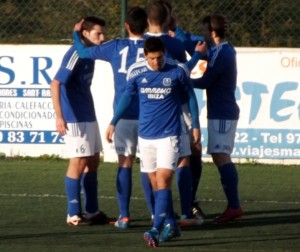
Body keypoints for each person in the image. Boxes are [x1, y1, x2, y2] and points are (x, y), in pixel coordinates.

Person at [105, 36, 200, 248]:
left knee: (164, 179)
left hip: (169, 134)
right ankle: (171, 224)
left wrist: (195, 124)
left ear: (164, 53)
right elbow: (127, 97)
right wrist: (113, 121)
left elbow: (190, 98)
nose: (156, 63)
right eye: (152, 59)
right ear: (145, 56)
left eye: (159, 58)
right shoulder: (136, 71)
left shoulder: (177, 70)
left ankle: (155, 229)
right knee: (155, 183)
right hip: (146, 137)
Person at [72, 7, 153, 229]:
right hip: (149, 115)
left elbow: (83, 52)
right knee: (148, 167)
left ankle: (124, 216)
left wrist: (76, 33)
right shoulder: (154, 47)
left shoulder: (116, 46)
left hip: (123, 116)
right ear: (146, 24)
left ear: (127, 25)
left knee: (124, 164)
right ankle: (156, 215)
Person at [145, 0, 205, 227]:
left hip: (148, 107)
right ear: (168, 18)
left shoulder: (139, 44)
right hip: (176, 106)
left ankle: (155, 212)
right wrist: (197, 55)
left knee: (148, 163)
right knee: (186, 155)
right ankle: (186, 211)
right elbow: (183, 71)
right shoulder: (172, 44)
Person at [50, 16, 114, 226]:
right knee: (78, 161)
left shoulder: (90, 52)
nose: (102, 37)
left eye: (103, 33)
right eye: (98, 33)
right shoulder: (75, 53)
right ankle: (73, 213)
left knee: (93, 160)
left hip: (88, 113)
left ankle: (93, 211)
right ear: (85, 34)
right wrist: (60, 116)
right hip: (74, 116)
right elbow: (55, 83)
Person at [191, 14, 243, 224]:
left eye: (205, 32)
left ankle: (234, 206)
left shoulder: (223, 52)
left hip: (222, 112)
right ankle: (233, 205)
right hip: (220, 111)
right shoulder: (222, 49)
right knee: (219, 155)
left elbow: (206, 81)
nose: (202, 36)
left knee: (221, 156)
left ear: (213, 33)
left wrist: (181, 79)